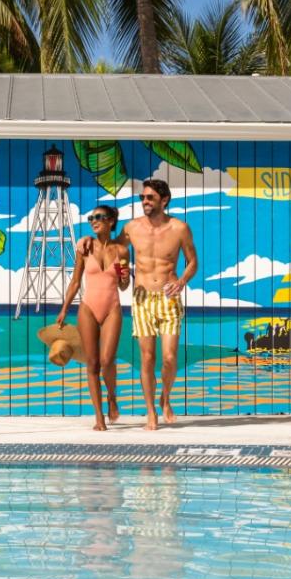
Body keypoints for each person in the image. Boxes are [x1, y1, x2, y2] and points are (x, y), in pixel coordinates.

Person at [80, 178, 197, 430]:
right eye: (143, 198)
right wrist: (86, 241)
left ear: (164, 200)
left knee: (168, 357)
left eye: (150, 198)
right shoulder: (132, 228)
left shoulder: (180, 228)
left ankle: (165, 397)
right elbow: (109, 246)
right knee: (147, 357)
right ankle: (151, 412)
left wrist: (183, 281)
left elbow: (192, 261)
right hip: (142, 298)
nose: (144, 202)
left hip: (169, 297)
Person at [57, 205, 130, 430]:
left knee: (108, 360)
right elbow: (76, 281)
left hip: (112, 308)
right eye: (91, 218)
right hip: (87, 307)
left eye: (98, 217)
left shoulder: (121, 251)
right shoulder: (85, 247)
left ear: (111, 221)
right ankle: (99, 417)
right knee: (93, 363)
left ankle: (112, 396)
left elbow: (124, 286)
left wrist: (124, 275)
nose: (93, 221)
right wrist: (64, 308)